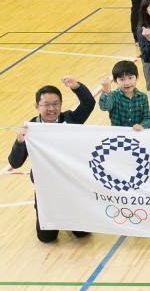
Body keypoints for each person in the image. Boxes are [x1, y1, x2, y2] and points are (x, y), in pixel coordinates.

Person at [9, 77, 94, 243]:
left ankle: (72, 216)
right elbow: (14, 163)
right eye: (46, 105)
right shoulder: (30, 129)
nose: (51, 108)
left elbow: (89, 103)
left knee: (83, 233)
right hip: (46, 187)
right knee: (46, 238)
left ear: (61, 105)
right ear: (37, 106)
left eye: (56, 104)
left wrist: (77, 87)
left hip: (71, 183)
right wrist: (20, 141)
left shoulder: (70, 120)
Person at [98, 60, 150, 130]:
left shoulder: (142, 97)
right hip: (118, 135)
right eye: (122, 79)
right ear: (115, 81)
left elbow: (148, 118)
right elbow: (104, 107)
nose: (127, 83)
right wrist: (106, 91)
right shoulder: (114, 96)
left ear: (137, 77)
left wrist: (142, 125)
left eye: (130, 78)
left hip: (137, 134)